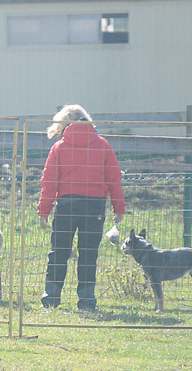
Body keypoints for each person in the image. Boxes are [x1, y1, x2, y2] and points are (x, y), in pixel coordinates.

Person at [37, 104, 126, 311]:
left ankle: (51, 296)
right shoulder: (103, 145)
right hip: (94, 206)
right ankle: (87, 300)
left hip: (67, 205)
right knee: (88, 253)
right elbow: (114, 179)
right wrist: (118, 207)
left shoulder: (59, 148)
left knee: (59, 251)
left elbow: (49, 182)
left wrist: (44, 210)